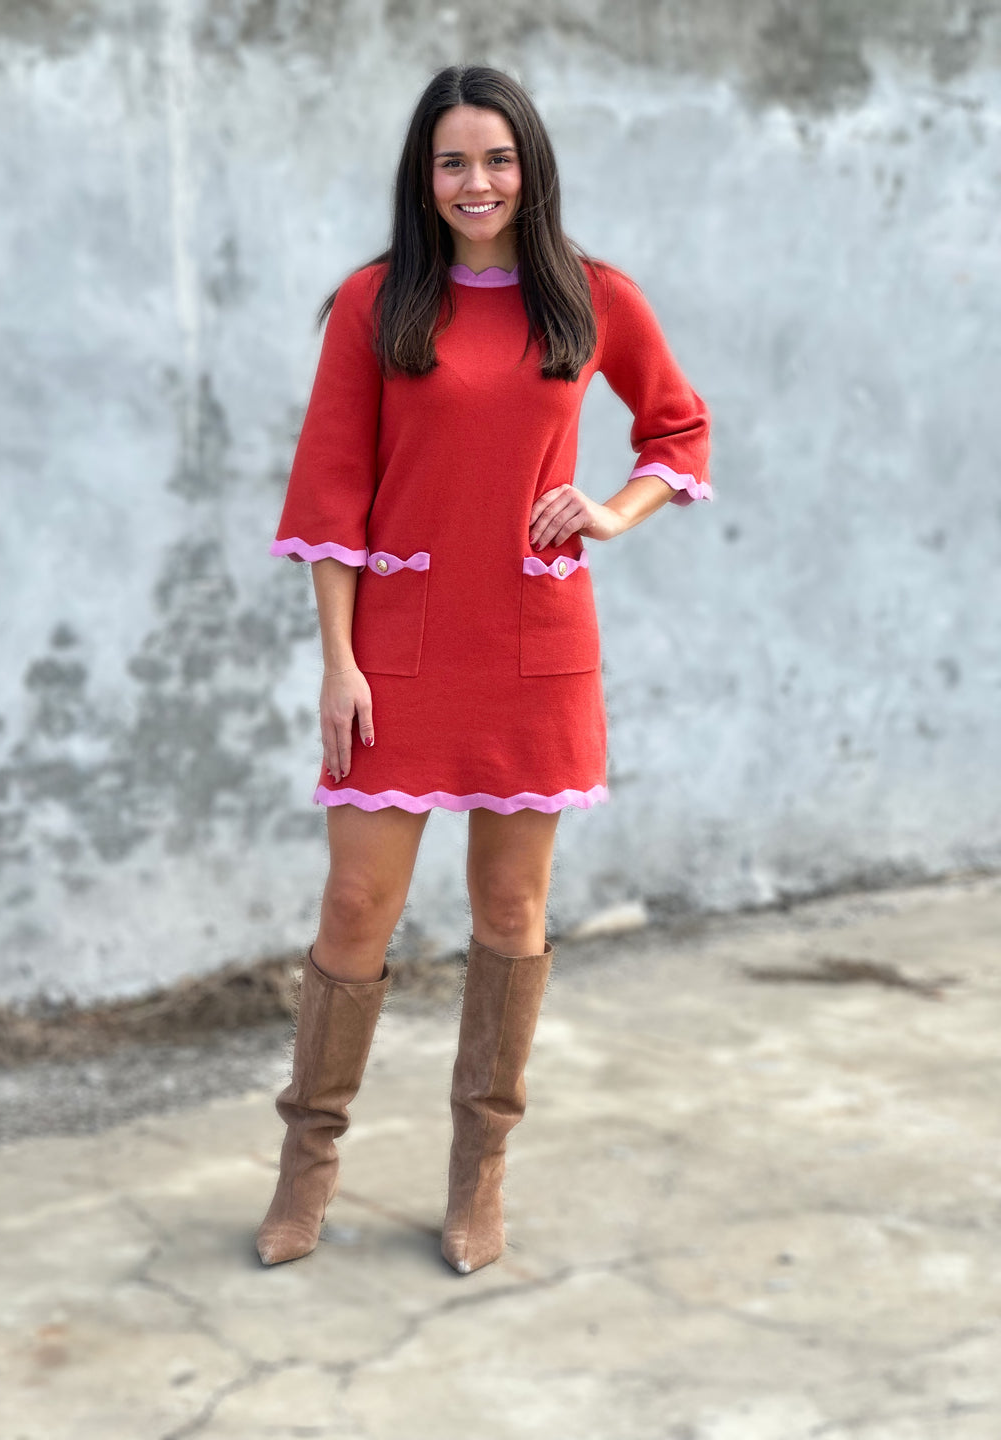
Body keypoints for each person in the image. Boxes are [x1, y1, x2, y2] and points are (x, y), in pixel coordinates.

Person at [255, 64, 711, 1275]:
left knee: (511, 914)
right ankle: (307, 1168)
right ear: (426, 174)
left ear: (531, 166)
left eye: (497, 159)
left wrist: (613, 512)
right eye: (453, 161)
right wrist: (339, 663)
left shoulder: (588, 296)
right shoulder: (375, 303)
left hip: (534, 649)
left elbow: (677, 428)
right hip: (396, 657)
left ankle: (480, 1178)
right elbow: (332, 490)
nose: (476, 183)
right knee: (357, 909)